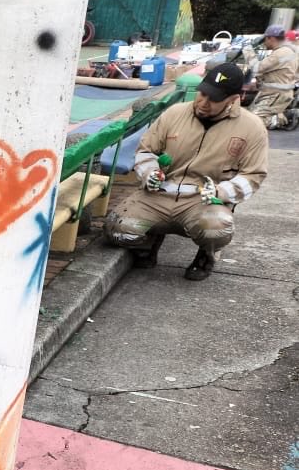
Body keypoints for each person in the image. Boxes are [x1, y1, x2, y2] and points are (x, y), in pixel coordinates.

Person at [104, 63, 268, 282]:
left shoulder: (252, 128)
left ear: (234, 99)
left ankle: (206, 255)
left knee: (216, 230)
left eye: (214, 99)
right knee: (118, 229)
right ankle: (149, 242)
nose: (204, 102)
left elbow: (253, 175)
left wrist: (221, 192)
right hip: (158, 196)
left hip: (202, 202)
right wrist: (149, 172)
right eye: (202, 93)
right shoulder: (174, 114)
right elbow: (146, 151)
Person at [244, 24, 297, 130]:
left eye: (265, 39)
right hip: (275, 93)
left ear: (271, 38)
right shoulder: (289, 50)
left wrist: (248, 51)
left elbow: (257, 68)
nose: (264, 42)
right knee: (247, 116)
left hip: (275, 95)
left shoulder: (281, 53)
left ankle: (286, 117)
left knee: (253, 123)